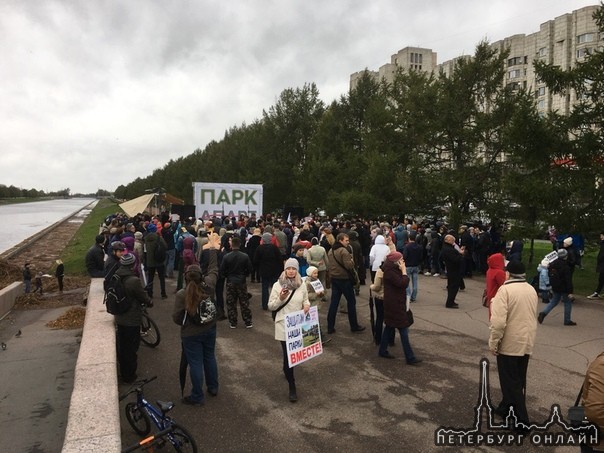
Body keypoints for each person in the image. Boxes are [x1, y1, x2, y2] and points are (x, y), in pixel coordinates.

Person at [488, 260, 537, 429]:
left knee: (510, 382)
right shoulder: (531, 289)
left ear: (508, 273)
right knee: (518, 379)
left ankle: (522, 420)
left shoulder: (505, 290)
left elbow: (499, 322)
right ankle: (505, 408)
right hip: (526, 340)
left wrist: (494, 342)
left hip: (510, 343)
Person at [172, 247, 220, 406]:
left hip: (190, 333)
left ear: (185, 277)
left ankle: (197, 395)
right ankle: (213, 387)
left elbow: (177, 318)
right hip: (210, 327)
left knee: (195, 363)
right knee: (210, 357)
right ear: (201, 276)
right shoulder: (209, 286)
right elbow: (214, 269)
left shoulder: (181, 294)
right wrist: (212, 249)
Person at [267, 258, 311, 402]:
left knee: (295, 355)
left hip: (297, 324)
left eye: (293, 269)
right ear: (285, 270)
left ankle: (287, 370)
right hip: (283, 324)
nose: (291, 271)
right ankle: (292, 386)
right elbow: (271, 306)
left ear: (297, 270)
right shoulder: (277, 285)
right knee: (289, 357)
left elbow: (305, 298)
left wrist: (306, 304)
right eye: (288, 269)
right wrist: (281, 297)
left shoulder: (301, 284)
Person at [114, 253, 152, 384]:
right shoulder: (133, 280)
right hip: (131, 318)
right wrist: (149, 301)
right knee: (131, 348)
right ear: (133, 264)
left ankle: (124, 371)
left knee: (123, 346)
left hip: (119, 316)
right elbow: (143, 297)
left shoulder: (116, 275)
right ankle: (130, 376)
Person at [378, 251, 421, 364]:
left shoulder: (390, 269)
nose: (403, 262)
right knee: (403, 328)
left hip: (393, 302)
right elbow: (403, 283)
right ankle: (410, 357)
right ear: (396, 261)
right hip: (395, 304)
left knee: (389, 327)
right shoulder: (390, 271)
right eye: (401, 260)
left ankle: (382, 350)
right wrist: (404, 271)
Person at [326, 233, 365, 334]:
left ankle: (330, 326)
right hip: (344, 279)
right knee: (351, 302)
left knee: (334, 303)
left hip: (334, 278)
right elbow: (349, 266)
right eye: (346, 240)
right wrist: (351, 260)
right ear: (340, 241)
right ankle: (354, 325)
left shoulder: (331, 250)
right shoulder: (343, 250)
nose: (348, 242)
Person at [220, 236, 253, 328]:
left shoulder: (226, 256)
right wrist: (244, 275)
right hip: (241, 281)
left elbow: (222, 270)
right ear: (240, 244)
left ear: (231, 244)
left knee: (231, 302)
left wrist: (227, 276)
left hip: (230, 281)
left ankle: (233, 322)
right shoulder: (245, 256)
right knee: (244, 302)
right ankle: (248, 321)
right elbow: (250, 269)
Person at [538, 248, 576, 326]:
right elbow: (568, 280)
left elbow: (549, 274)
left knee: (554, 301)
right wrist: (570, 291)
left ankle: (543, 313)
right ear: (566, 256)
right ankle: (567, 320)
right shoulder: (566, 267)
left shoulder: (553, 264)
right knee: (567, 302)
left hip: (555, 286)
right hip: (564, 287)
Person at [254, 233, 283, 310]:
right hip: (274, 270)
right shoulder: (274, 248)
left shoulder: (259, 248)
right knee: (275, 288)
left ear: (263, 239)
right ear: (271, 239)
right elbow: (280, 259)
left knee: (264, 288)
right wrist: (281, 270)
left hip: (264, 271)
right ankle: (275, 303)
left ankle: (264, 305)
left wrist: (258, 269)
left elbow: (255, 260)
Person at [144, 224, 168, 300]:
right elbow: (165, 246)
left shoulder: (145, 238)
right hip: (159, 260)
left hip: (150, 261)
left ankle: (150, 293)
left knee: (150, 278)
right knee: (161, 278)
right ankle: (163, 293)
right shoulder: (159, 238)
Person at [441, 234, 465, 309]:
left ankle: (451, 301)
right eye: (452, 240)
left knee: (452, 286)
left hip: (451, 269)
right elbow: (455, 259)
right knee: (453, 286)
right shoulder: (448, 249)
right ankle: (450, 302)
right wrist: (461, 254)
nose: (453, 242)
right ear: (447, 240)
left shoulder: (448, 248)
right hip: (453, 270)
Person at [485, 251, 506, 318]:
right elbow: (504, 285)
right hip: (497, 295)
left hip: (490, 294)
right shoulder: (499, 272)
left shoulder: (490, 270)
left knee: (492, 314)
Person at [403, 234, 422, 302]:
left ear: (409, 239)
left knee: (407, 282)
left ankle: (408, 295)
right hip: (415, 266)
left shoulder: (407, 246)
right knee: (415, 282)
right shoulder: (419, 247)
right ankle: (413, 296)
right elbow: (421, 257)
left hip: (408, 265)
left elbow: (404, 256)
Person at [587, 231, 604, 300]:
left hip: (603, 264)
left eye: (602, 235)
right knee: (601, 279)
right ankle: (597, 292)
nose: (601, 237)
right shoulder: (602, 243)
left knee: (601, 278)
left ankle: (597, 292)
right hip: (602, 263)